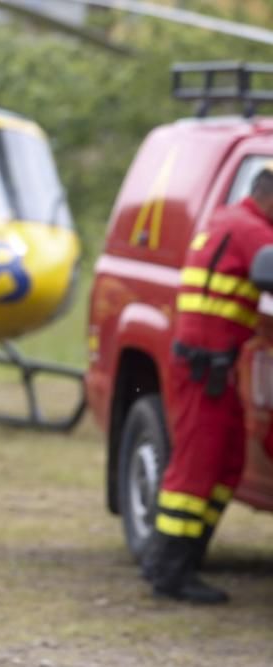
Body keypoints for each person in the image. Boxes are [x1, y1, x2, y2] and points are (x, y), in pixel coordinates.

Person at [141, 166, 273, 603]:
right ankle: (169, 569)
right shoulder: (254, 232)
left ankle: (185, 556)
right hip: (206, 370)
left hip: (211, 366)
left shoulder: (226, 219)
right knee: (196, 467)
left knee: (228, 461)